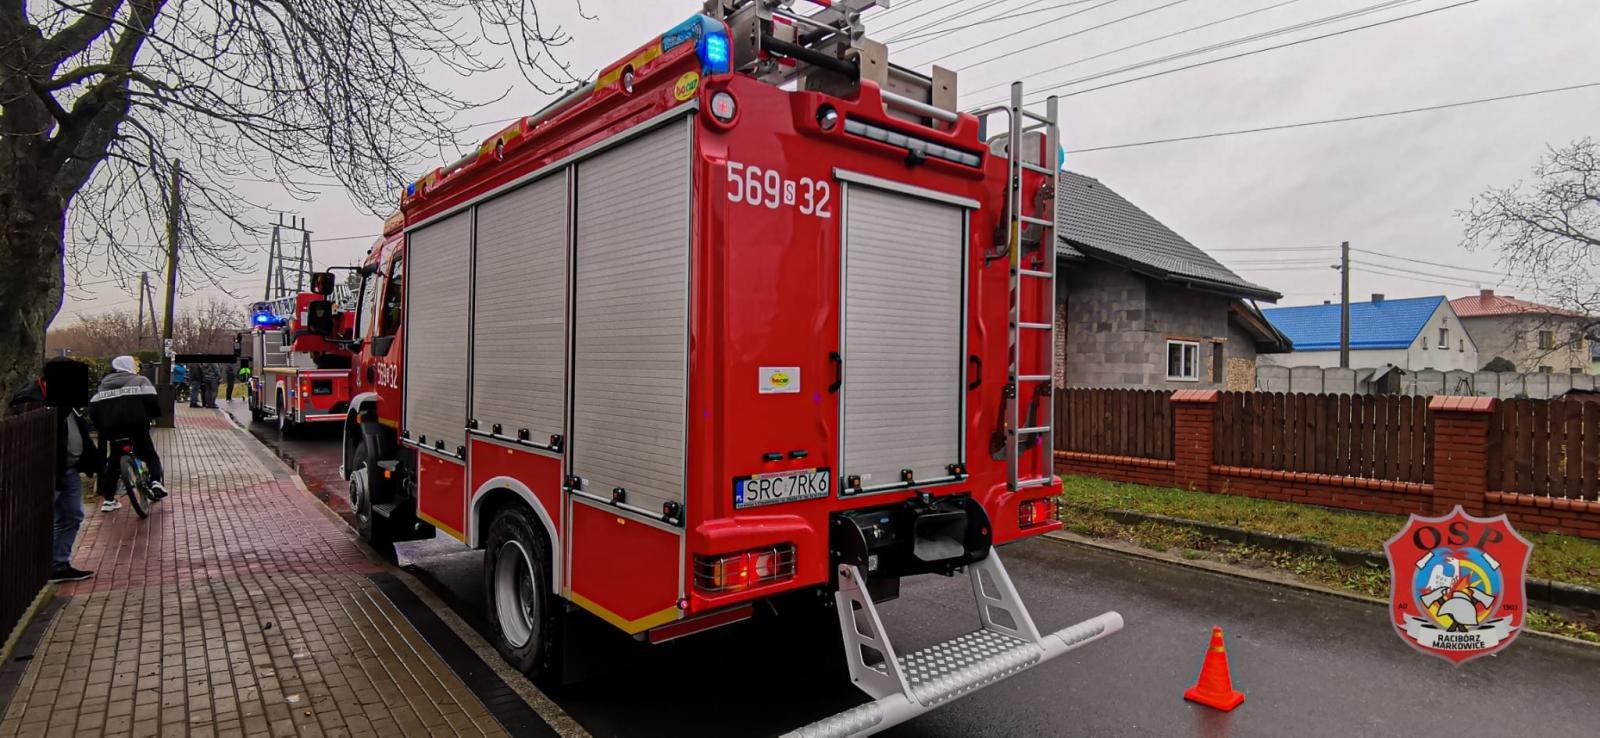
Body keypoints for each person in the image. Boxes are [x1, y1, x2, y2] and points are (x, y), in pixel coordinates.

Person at [7, 365, 102, 582]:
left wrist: (91, 461)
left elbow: (79, 431)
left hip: (69, 469)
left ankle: (59, 563)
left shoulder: (67, 403)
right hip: (47, 471)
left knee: (72, 515)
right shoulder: (31, 401)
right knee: (37, 519)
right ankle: (27, 568)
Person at [88, 356, 166, 511]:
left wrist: (101, 426)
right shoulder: (141, 381)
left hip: (112, 429)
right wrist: (153, 416)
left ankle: (109, 500)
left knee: (114, 462)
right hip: (136, 426)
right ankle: (156, 481)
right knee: (149, 454)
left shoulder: (104, 385)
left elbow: (93, 410)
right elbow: (153, 402)